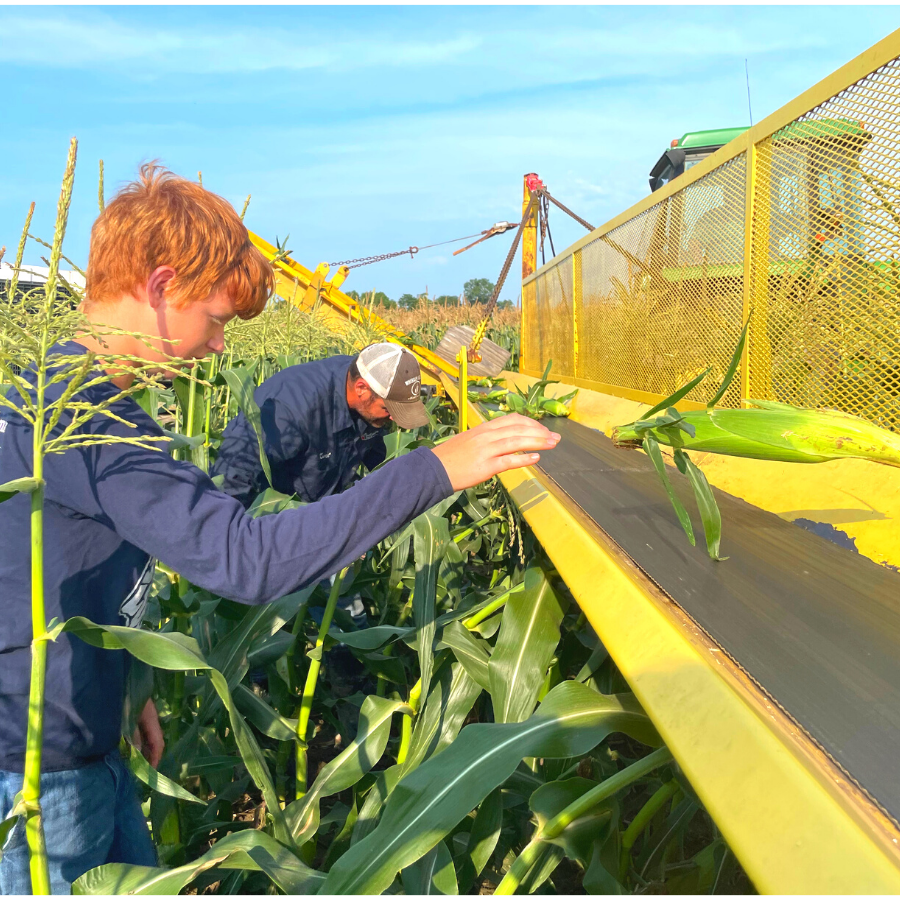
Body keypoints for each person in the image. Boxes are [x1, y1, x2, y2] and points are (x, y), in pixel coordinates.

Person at [0, 164, 560, 894]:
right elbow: (244, 557)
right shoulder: (81, 420)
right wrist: (436, 470)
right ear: (162, 288)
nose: (218, 348)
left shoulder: (68, 400)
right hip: (38, 772)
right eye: (218, 320)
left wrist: (129, 682)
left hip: (90, 738)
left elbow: (57, 567)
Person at [212, 342, 430, 509]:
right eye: (388, 409)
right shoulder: (292, 407)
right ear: (361, 388)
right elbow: (233, 474)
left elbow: (376, 457)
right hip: (276, 521)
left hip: (322, 516)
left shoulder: (366, 389)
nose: (393, 419)